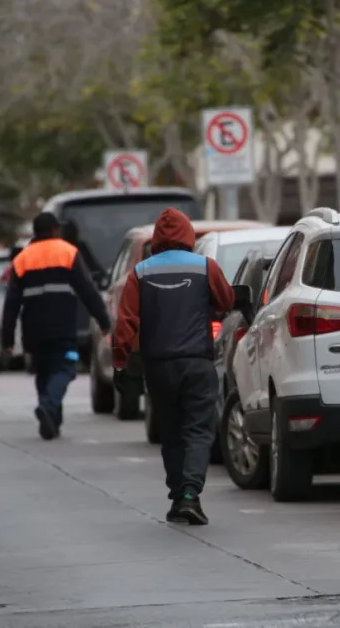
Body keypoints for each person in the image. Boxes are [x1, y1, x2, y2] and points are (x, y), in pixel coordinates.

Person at [112, 207, 235, 525]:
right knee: (198, 430)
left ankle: (178, 493)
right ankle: (190, 495)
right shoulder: (205, 266)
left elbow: (126, 322)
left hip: (159, 367)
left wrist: (120, 363)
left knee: (171, 432)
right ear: (188, 235)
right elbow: (226, 301)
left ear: (157, 239)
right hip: (197, 362)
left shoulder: (140, 272)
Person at [2, 212, 111, 440]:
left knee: (44, 373)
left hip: (33, 330)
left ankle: (50, 422)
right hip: (61, 326)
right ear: (54, 230)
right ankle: (49, 406)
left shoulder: (22, 259)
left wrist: (8, 339)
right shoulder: (67, 252)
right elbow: (88, 291)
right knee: (66, 369)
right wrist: (103, 321)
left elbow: (11, 303)